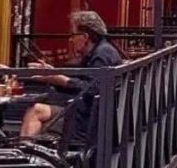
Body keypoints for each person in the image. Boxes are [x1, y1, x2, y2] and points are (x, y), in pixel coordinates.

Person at [19, 11, 123, 141]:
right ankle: (26, 152)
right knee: (37, 107)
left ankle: (25, 153)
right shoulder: (102, 50)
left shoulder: (101, 56)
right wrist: (54, 74)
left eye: (73, 35)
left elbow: (92, 89)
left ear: (85, 37)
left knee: (35, 111)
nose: (71, 40)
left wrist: (62, 80)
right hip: (93, 116)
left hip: (88, 123)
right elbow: (84, 81)